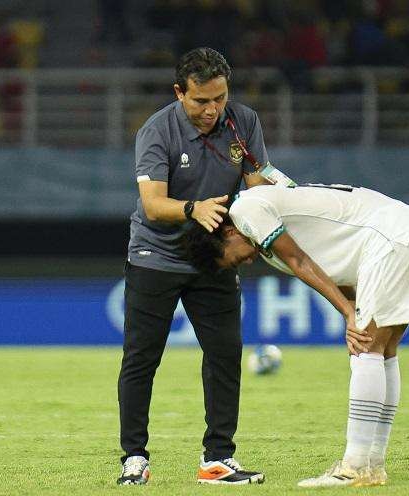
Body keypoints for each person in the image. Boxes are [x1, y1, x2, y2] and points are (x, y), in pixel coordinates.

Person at [184, 183, 409, 488]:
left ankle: (354, 466)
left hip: (391, 238)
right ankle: (373, 465)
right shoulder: (264, 230)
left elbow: (300, 261)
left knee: (365, 349)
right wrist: (352, 305)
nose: (246, 261)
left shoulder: (244, 210)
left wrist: (348, 313)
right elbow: (325, 267)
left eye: (235, 259)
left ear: (227, 233)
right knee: (383, 350)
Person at [117, 47, 275, 486]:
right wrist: (193, 208)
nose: (212, 110)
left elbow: (258, 182)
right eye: (201, 100)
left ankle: (218, 459)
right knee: (141, 358)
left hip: (213, 258)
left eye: (219, 98)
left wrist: (263, 198)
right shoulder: (156, 131)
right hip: (157, 256)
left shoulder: (244, 122)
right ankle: (134, 457)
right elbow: (152, 205)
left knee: (225, 354)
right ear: (178, 93)